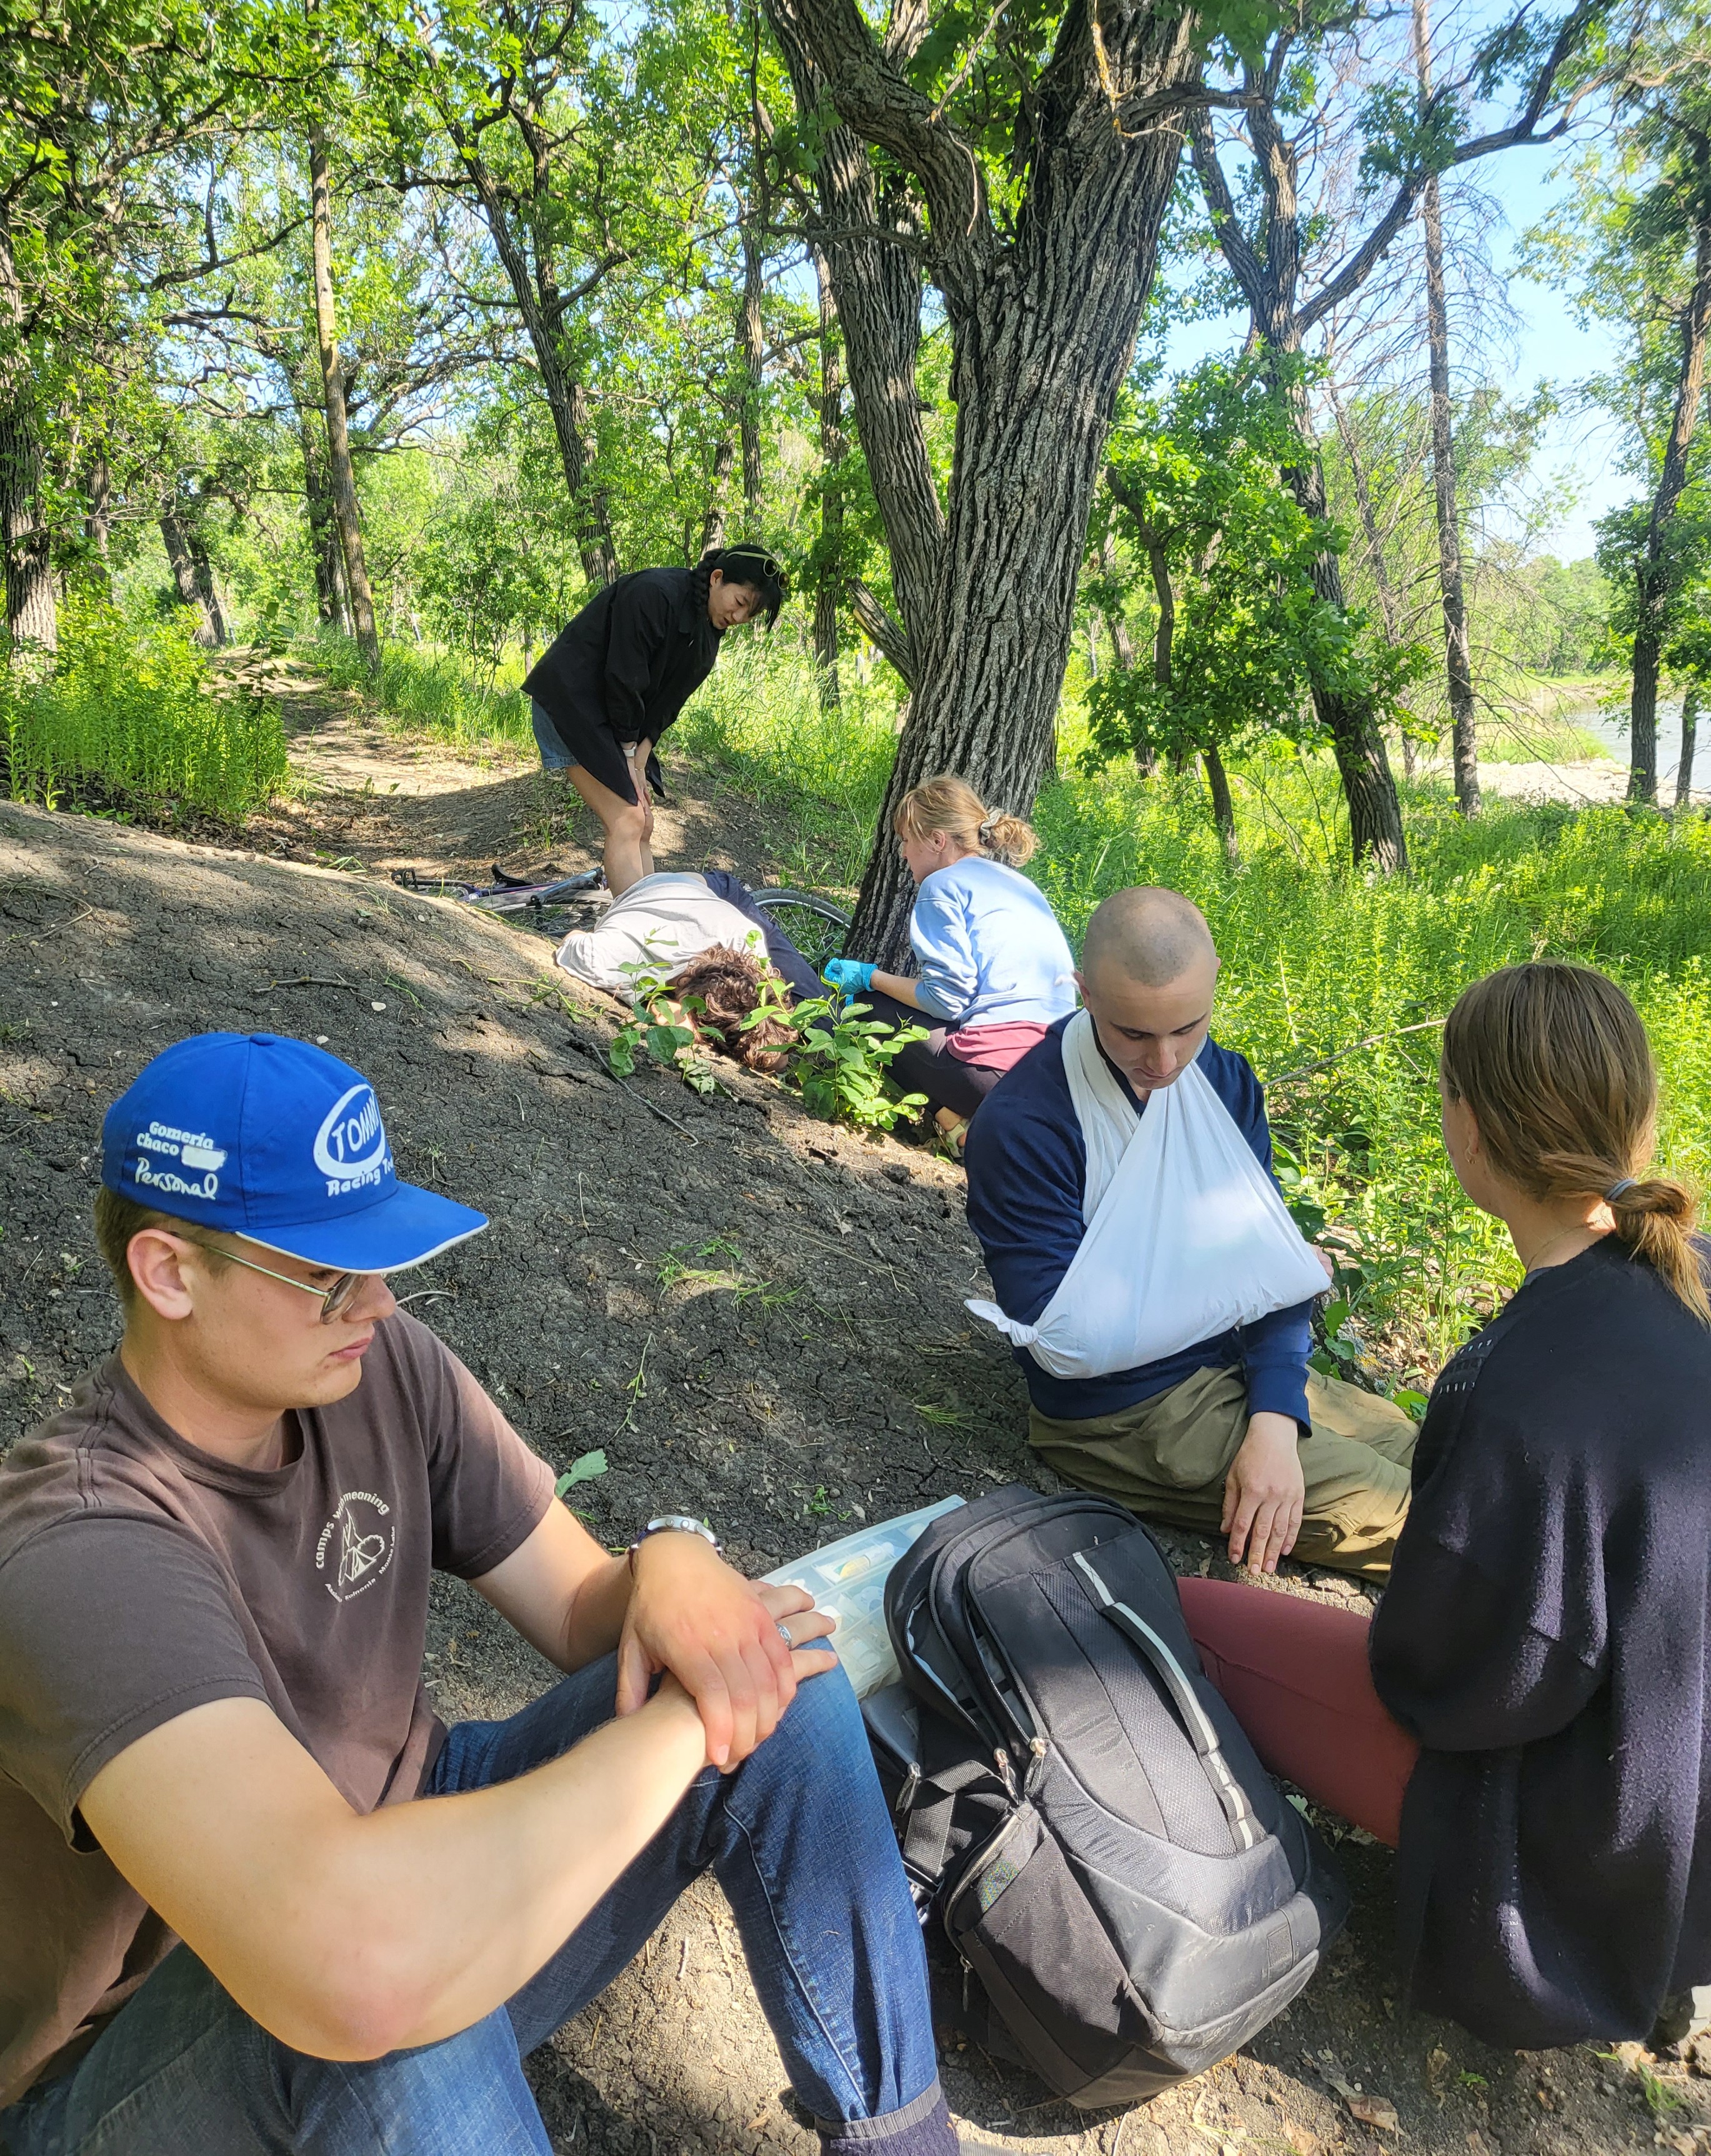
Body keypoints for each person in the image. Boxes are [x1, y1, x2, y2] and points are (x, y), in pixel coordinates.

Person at [0, 1031, 1007, 2156]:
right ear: (169, 1272)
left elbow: (583, 1611)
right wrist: (681, 1734)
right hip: (154, 2067)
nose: (377, 1304)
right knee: (381, 1997)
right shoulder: (80, 1547)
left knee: (775, 1666)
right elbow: (342, 1966)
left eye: (379, 1256)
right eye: (327, 1274)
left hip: (395, 1868)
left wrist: (673, 1559)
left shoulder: (379, 1371)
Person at [1170, 962, 1711, 2053]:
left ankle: (1590, 1942)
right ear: (1638, 1118)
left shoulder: (1512, 1385)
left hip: (1582, 1829)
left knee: (1178, 1615)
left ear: (1465, 1129)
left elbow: (1454, 1683)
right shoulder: (1690, 1274)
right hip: (1681, 1788)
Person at [964, 885, 1418, 1580]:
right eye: (1133, 1034)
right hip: (1126, 1408)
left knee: (1433, 1451)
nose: (1167, 1062)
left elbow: (1268, 1275)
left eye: (1188, 1027)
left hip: (1234, 1361)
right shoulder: (1025, 1127)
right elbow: (1070, 1343)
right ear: (1082, 993)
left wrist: (1273, 1415)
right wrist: (1266, 1284)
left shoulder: (1224, 1081)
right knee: (1424, 1525)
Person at [821, 776, 1077, 1145]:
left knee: (866, 1007)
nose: (904, 853)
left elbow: (947, 1001)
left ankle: (959, 1127)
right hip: (1054, 1078)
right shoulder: (1019, 885)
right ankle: (961, 1125)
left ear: (938, 841)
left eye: (908, 841)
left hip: (993, 1074)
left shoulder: (941, 886)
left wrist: (871, 977)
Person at [524, 546, 787, 895]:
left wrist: (640, 759)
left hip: (615, 719)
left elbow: (667, 706)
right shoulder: (654, 593)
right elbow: (623, 679)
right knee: (627, 821)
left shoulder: (708, 636)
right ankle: (632, 938)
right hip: (571, 703)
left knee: (644, 823)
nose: (738, 618)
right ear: (717, 578)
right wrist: (630, 757)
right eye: (739, 602)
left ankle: (651, 929)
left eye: (748, 615)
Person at [554, 866, 823, 1006]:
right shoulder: (621, 962)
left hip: (711, 901)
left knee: (822, 1020)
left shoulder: (744, 937)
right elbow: (576, 939)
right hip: (691, 894)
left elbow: (777, 1047)